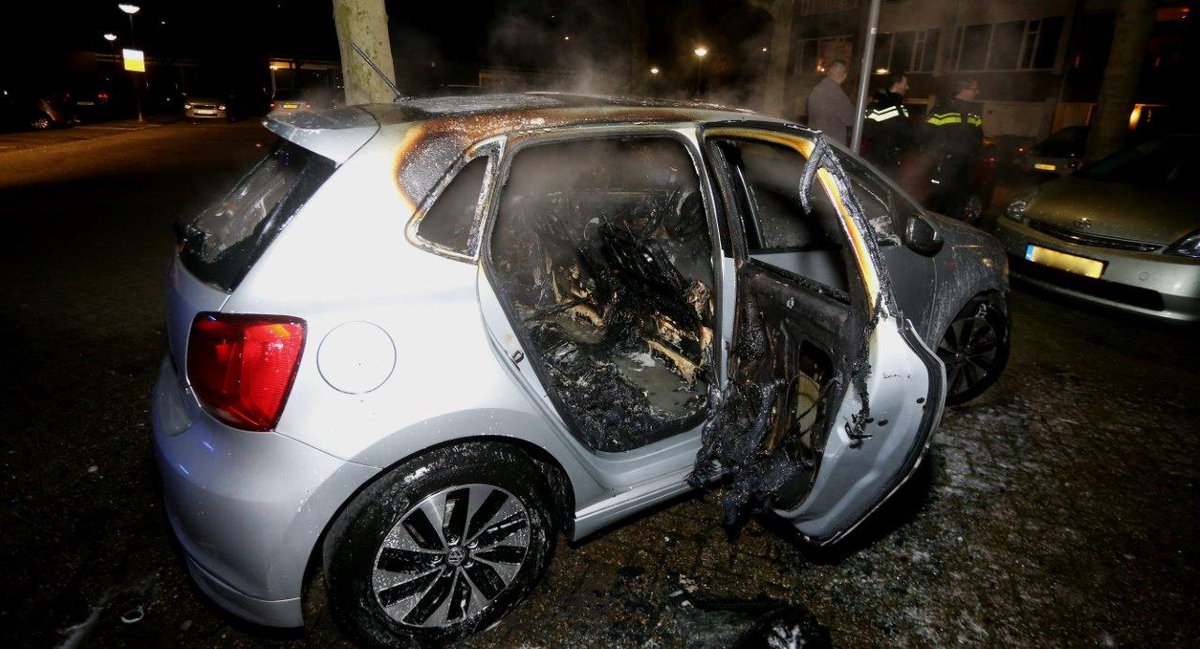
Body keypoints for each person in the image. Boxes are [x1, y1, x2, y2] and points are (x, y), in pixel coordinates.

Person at [920, 78, 984, 217]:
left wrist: (974, 159)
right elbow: (925, 136)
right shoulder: (941, 109)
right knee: (937, 206)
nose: (977, 92)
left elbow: (978, 139)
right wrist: (940, 156)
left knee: (957, 208)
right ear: (963, 89)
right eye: (974, 89)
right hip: (943, 169)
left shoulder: (973, 113)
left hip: (964, 170)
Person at [863, 72, 912, 176]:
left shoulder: (875, 103)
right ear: (897, 84)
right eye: (905, 84)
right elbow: (905, 133)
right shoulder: (897, 107)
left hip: (874, 157)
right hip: (887, 161)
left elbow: (868, 130)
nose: (907, 87)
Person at [806, 60, 855, 145]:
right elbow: (852, 119)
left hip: (815, 141)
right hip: (831, 145)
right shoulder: (837, 94)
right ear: (842, 74)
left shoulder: (816, 90)